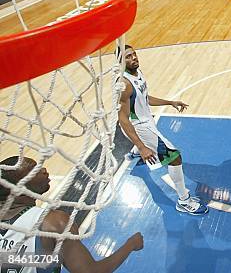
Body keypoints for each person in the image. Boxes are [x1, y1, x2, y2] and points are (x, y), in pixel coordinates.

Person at [0, 156, 143, 273]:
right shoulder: (54, 223)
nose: (43, 170)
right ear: (18, 190)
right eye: (34, 171)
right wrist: (130, 245)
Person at [118, 45, 208, 215]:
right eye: (128, 57)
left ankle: (136, 152)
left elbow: (145, 98)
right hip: (139, 126)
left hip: (146, 121)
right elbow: (122, 119)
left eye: (134, 54)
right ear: (120, 62)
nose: (134, 58)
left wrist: (170, 102)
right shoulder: (124, 85)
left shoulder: (137, 73)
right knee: (174, 157)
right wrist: (143, 146)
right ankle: (184, 200)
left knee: (155, 143)